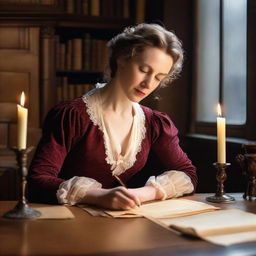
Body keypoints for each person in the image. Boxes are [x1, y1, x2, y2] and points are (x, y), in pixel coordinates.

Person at [28, 23, 197, 210]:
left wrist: (142, 193)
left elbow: (188, 174)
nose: (149, 83)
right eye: (144, 70)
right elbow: (38, 181)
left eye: (159, 77)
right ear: (122, 59)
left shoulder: (155, 123)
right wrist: (99, 196)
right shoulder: (72, 116)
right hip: (69, 225)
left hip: (125, 226)